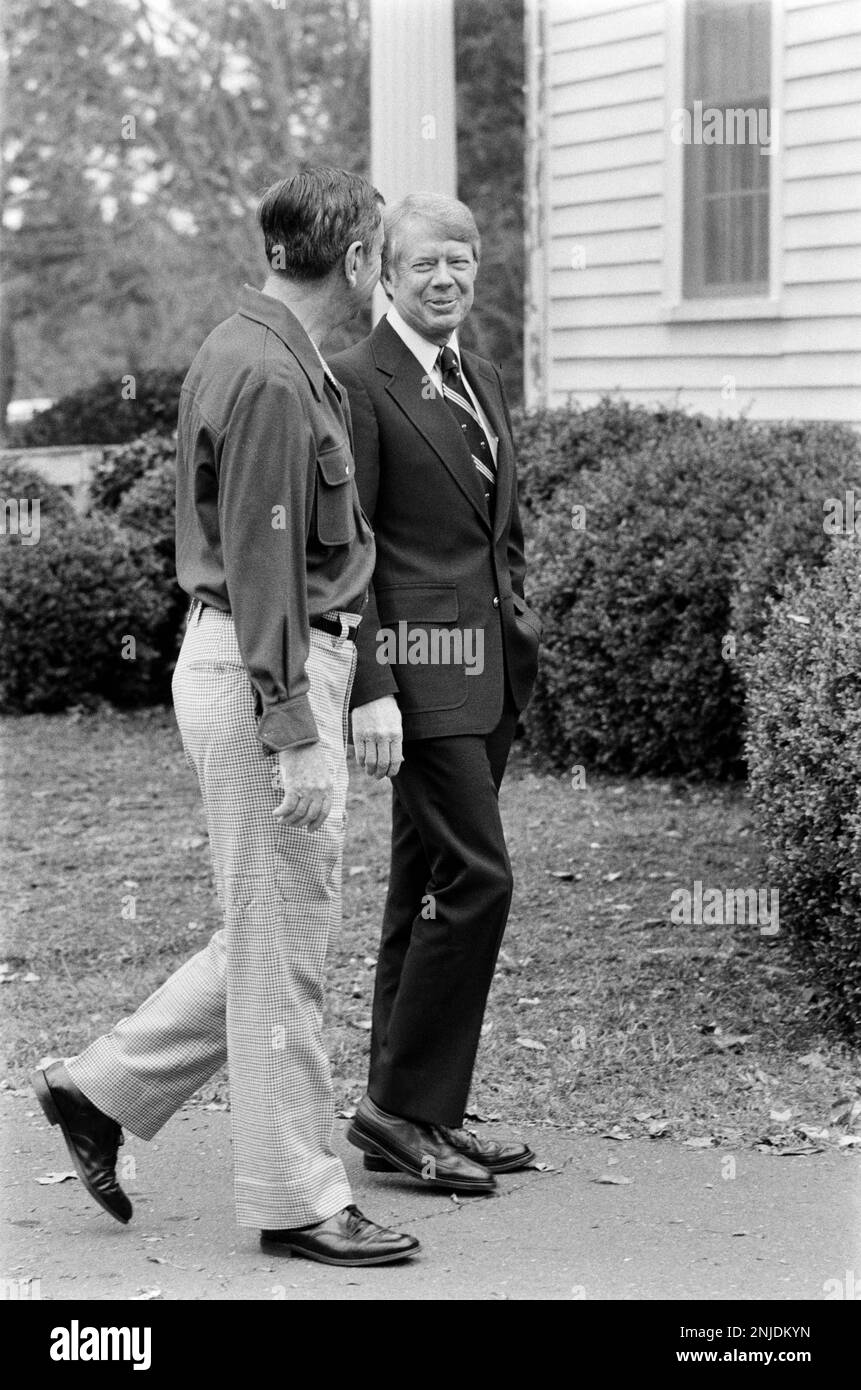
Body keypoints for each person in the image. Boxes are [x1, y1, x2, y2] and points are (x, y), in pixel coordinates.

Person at [32, 167, 419, 1267]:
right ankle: (298, 1199)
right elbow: (261, 565)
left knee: (272, 926)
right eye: (382, 258)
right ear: (351, 262)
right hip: (270, 667)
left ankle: (97, 1090)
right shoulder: (268, 373)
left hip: (273, 663)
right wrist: (293, 722)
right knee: (284, 946)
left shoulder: (269, 352)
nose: (384, 277)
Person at [330, 193, 542, 1195]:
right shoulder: (358, 384)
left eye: (461, 262)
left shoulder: (483, 373)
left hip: (490, 670)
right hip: (417, 676)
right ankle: (395, 1109)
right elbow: (350, 549)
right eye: (427, 266)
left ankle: (420, 1108)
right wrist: (371, 684)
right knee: (480, 879)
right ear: (387, 275)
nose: (448, 279)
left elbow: (496, 531)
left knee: (421, 888)